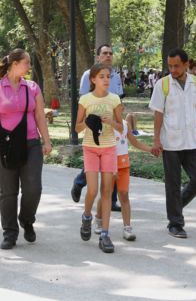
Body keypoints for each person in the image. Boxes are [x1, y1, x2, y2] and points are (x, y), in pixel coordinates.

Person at [0, 49, 52, 250]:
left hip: (31, 144)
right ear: (15, 64)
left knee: (33, 188)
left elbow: (39, 117)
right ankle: (9, 233)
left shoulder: (32, 87)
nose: (29, 67)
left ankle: (26, 220)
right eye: (27, 63)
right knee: (8, 192)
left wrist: (46, 141)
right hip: (4, 146)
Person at [148, 48, 196, 239]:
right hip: (171, 142)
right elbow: (158, 113)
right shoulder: (162, 84)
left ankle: (175, 206)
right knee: (172, 184)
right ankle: (176, 223)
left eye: (176, 66)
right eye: (170, 66)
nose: (172, 69)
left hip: (193, 141)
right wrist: (156, 139)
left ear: (186, 64)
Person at [76, 63, 124, 253]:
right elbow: (77, 127)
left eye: (108, 76)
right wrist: (88, 123)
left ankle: (105, 234)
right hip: (90, 148)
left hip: (109, 149)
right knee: (92, 190)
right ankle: (87, 217)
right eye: (102, 76)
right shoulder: (85, 100)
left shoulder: (114, 99)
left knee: (106, 191)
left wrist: (111, 121)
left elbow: (121, 127)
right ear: (93, 79)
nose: (106, 80)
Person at [71, 44, 124, 212]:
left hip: (112, 124)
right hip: (94, 126)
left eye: (110, 53)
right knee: (95, 161)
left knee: (111, 164)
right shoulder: (89, 75)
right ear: (98, 56)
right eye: (104, 53)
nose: (108, 56)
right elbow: (85, 101)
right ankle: (79, 183)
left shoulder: (115, 76)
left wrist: (118, 119)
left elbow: (119, 101)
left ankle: (111, 199)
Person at [92, 113, 153, 242]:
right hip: (109, 165)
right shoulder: (105, 125)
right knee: (105, 193)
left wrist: (150, 149)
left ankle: (127, 227)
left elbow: (134, 142)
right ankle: (98, 219)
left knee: (124, 194)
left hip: (124, 165)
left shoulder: (125, 124)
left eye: (120, 106)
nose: (119, 109)